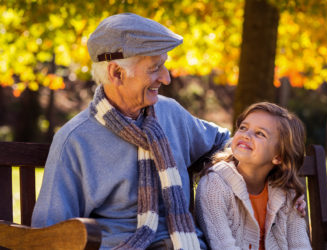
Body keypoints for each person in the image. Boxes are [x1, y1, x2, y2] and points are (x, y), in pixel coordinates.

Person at [31, 13, 231, 250]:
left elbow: (226, 144)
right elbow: (49, 234)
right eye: (155, 68)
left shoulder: (171, 113)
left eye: (164, 65)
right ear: (116, 73)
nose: (165, 78)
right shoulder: (74, 139)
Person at [195, 102, 312, 250]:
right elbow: (223, 246)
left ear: (278, 157)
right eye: (243, 127)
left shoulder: (288, 194)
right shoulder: (214, 185)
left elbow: (300, 245)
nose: (246, 135)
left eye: (260, 133)